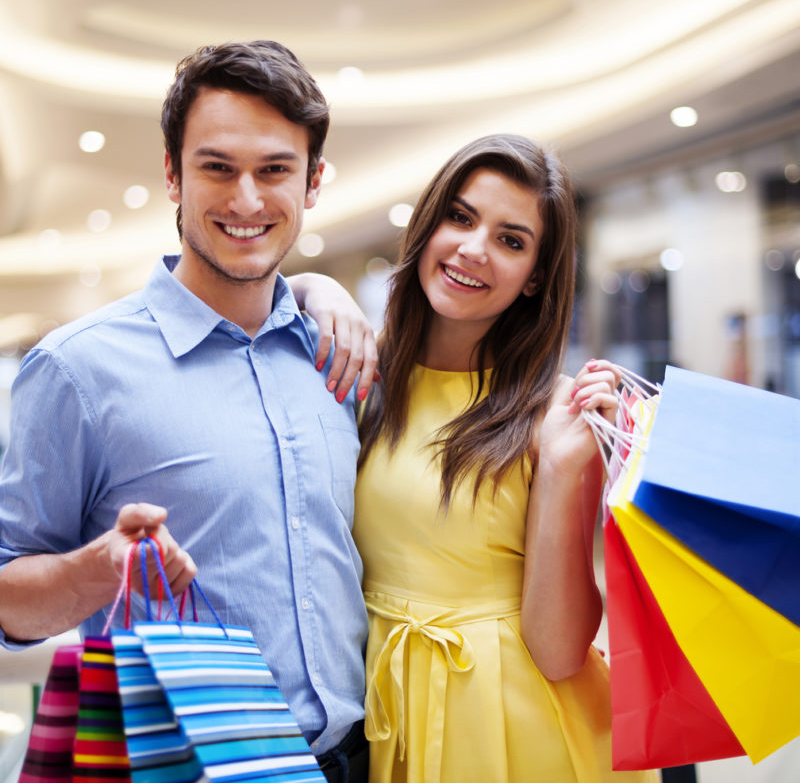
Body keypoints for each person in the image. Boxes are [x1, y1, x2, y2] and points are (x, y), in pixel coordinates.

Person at [0, 40, 376, 782]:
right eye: (216, 167)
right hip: (184, 766)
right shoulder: (76, 370)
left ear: (313, 183)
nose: (245, 200)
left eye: (274, 170)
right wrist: (94, 573)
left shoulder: (336, 354)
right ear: (172, 174)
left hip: (360, 758)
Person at [298, 134, 659, 782]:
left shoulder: (557, 414)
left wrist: (561, 470)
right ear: (429, 222)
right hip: (381, 711)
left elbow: (557, 652)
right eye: (460, 218)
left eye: (511, 240)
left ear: (536, 278)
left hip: (512, 727)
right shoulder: (360, 375)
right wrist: (312, 285)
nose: (473, 249)